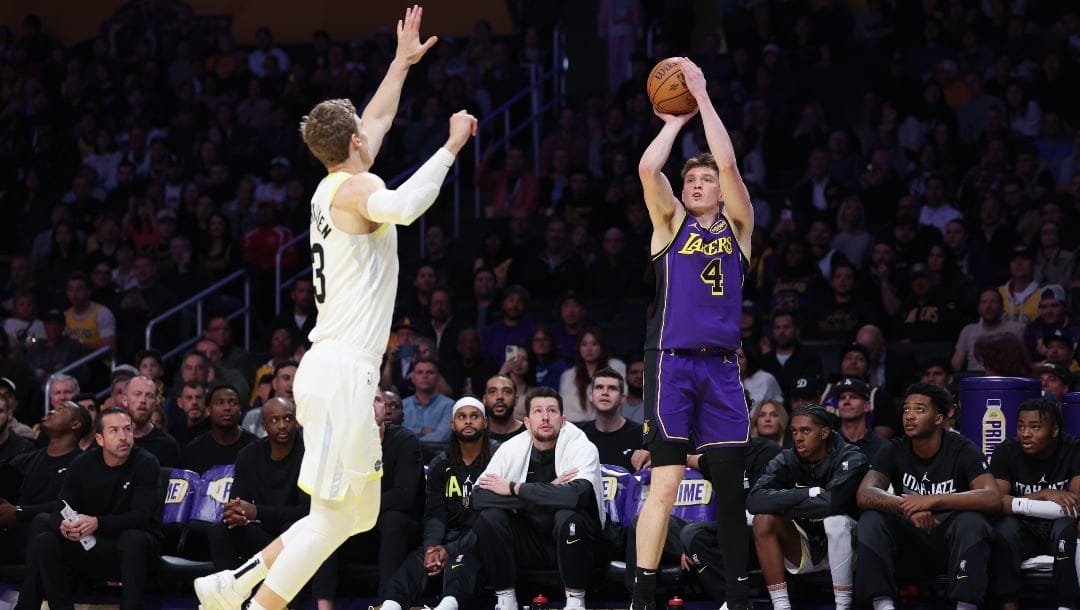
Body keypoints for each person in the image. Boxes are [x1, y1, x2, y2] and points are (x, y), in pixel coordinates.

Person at [194, 8, 478, 609]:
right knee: (334, 517)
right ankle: (252, 603)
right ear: (353, 145)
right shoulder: (362, 188)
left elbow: (374, 117)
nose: (370, 134)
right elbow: (404, 205)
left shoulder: (333, 183)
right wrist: (451, 145)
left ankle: (232, 583)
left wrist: (399, 64)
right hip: (344, 370)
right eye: (362, 134)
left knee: (354, 514)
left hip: (331, 368)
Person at [633, 57, 755, 610]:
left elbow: (728, 160)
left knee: (731, 486)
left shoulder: (739, 227)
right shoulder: (670, 225)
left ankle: (737, 596)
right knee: (664, 483)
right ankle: (643, 598)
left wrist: (702, 97)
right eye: (693, 179)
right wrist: (674, 122)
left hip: (723, 367)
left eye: (708, 179)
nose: (702, 183)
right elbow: (646, 170)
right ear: (683, 192)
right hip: (673, 363)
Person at [854, 383, 1001, 610]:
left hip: (949, 539)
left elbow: (992, 497)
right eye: (906, 410)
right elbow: (865, 493)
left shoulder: (963, 448)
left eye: (919, 410)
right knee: (871, 519)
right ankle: (883, 605)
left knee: (973, 522)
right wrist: (908, 507)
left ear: (939, 418)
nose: (909, 416)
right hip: (910, 538)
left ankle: (966, 606)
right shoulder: (893, 449)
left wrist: (932, 500)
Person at [15, 408, 160, 610]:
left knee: (132, 538)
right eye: (114, 431)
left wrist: (97, 523)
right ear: (99, 439)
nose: (123, 437)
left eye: (127, 430)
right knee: (45, 538)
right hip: (92, 543)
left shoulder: (146, 463)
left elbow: (142, 517)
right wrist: (65, 526)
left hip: (132, 546)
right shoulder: (82, 463)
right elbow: (60, 508)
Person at [473, 387, 605, 610]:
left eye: (552, 411)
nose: (545, 417)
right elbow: (479, 497)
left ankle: (575, 601)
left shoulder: (581, 446)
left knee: (568, 515)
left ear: (563, 420)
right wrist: (550, 491)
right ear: (526, 421)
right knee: (490, 517)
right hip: (529, 542)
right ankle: (505, 599)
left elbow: (577, 496)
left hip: (577, 542)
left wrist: (514, 487)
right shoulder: (511, 449)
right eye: (538, 411)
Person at [206, 397, 330, 601]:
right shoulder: (249, 454)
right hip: (265, 533)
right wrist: (235, 513)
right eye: (274, 420)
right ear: (263, 425)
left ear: (297, 421)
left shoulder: (310, 453)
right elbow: (238, 502)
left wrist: (256, 512)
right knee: (220, 530)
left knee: (292, 528)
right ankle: (229, 597)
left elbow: (308, 512)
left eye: (288, 419)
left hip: (298, 535)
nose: (282, 425)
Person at [747, 404, 868, 610]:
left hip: (851, 548)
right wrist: (806, 493)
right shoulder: (787, 458)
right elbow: (754, 500)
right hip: (805, 546)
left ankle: (843, 606)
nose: (798, 437)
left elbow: (832, 503)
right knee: (763, 518)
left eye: (805, 431)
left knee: (835, 522)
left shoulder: (851, 458)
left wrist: (782, 505)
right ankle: (781, 606)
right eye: (794, 431)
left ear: (824, 432)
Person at [377, 396, 493, 610]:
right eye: (462, 417)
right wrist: (432, 547)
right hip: (447, 537)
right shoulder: (440, 463)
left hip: (482, 537)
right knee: (412, 565)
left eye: (474, 416)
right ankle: (390, 605)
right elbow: (435, 514)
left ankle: (446, 606)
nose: (468, 421)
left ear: (485, 422)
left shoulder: (498, 458)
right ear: (452, 424)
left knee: (464, 560)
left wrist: (448, 550)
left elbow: (491, 517)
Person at [988, 397, 1080, 610]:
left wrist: (1017, 502)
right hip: (1023, 527)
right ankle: (1008, 605)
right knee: (1003, 531)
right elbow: (995, 502)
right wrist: (1043, 495)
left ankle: (1067, 605)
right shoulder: (1006, 451)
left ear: (1055, 431)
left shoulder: (1074, 449)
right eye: (1021, 426)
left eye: (1035, 427)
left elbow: (1076, 505)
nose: (1025, 434)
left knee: (1066, 529)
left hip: (1059, 526)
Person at [0, 401, 89, 565]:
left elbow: (69, 506)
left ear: (75, 424)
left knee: (41, 524)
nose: (51, 412)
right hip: (15, 539)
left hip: (53, 541)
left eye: (61, 409)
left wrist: (18, 511)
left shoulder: (84, 463)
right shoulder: (27, 459)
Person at [578, 368, 649, 471]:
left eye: (612, 388)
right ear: (590, 396)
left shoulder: (642, 435)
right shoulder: (578, 434)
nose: (605, 392)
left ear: (622, 398)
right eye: (599, 387)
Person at [181, 384, 258, 474]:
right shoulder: (193, 451)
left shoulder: (255, 448)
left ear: (240, 410)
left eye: (233, 403)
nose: (227, 408)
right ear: (209, 410)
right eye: (220, 403)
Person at [952, 289, 1025, 372]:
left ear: (1001, 307)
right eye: (984, 302)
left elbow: (1022, 362)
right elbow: (956, 364)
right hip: (974, 380)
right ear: (978, 308)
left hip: (1004, 379)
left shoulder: (1015, 329)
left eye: (993, 302)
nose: (988, 306)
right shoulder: (968, 330)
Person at [123, 374, 181, 467]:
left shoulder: (168, 446)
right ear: (125, 400)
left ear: (155, 403)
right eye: (137, 394)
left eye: (149, 396)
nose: (143, 400)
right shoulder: (113, 441)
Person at [833, 378, 888, 462]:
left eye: (853, 397)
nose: (846, 401)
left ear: (866, 406)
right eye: (842, 398)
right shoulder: (828, 445)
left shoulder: (883, 447)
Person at [483, 374, 525, 442]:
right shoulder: (477, 434)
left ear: (516, 400)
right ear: (484, 400)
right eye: (492, 391)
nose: (500, 397)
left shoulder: (529, 435)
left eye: (507, 392)